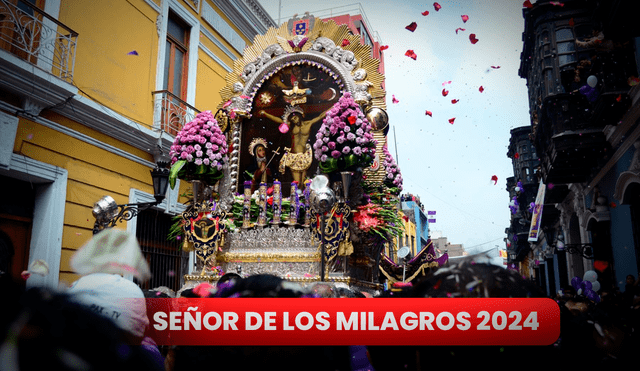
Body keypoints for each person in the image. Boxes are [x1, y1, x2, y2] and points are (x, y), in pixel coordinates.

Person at [259, 105, 327, 188]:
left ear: (300, 116)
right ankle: (296, 198)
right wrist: (266, 114)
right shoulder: (291, 126)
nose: (294, 121)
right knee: (297, 182)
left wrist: (335, 106)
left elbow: (321, 116)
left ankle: (303, 198)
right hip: (294, 156)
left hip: (305, 155)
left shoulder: (308, 123)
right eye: (292, 120)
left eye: (295, 118)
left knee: (303, 183)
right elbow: (279, 120)